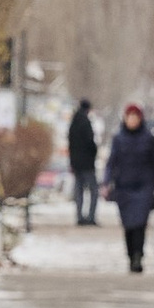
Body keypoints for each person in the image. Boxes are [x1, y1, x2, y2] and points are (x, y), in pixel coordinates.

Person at [101, 99, 154, 273]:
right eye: (130, 117)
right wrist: (106, 182)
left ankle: (138, 256)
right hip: (124, 187)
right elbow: (111, 162)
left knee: (140, 223)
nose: (132, 120)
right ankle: (130, 254)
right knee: (128, 224)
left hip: (144, 187)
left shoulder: (148, 139)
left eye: (135, 117)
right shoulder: (119, 139)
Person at [66, 96, 99, 226]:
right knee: (93, 191)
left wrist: (72, 161)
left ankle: (79, 216)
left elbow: (70, 143)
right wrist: (94, 153)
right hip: (87, 163)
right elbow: (90, 142)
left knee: (78, 190)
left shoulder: (73, 123)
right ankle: (91, 217)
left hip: (76, 163)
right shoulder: (86, 122)